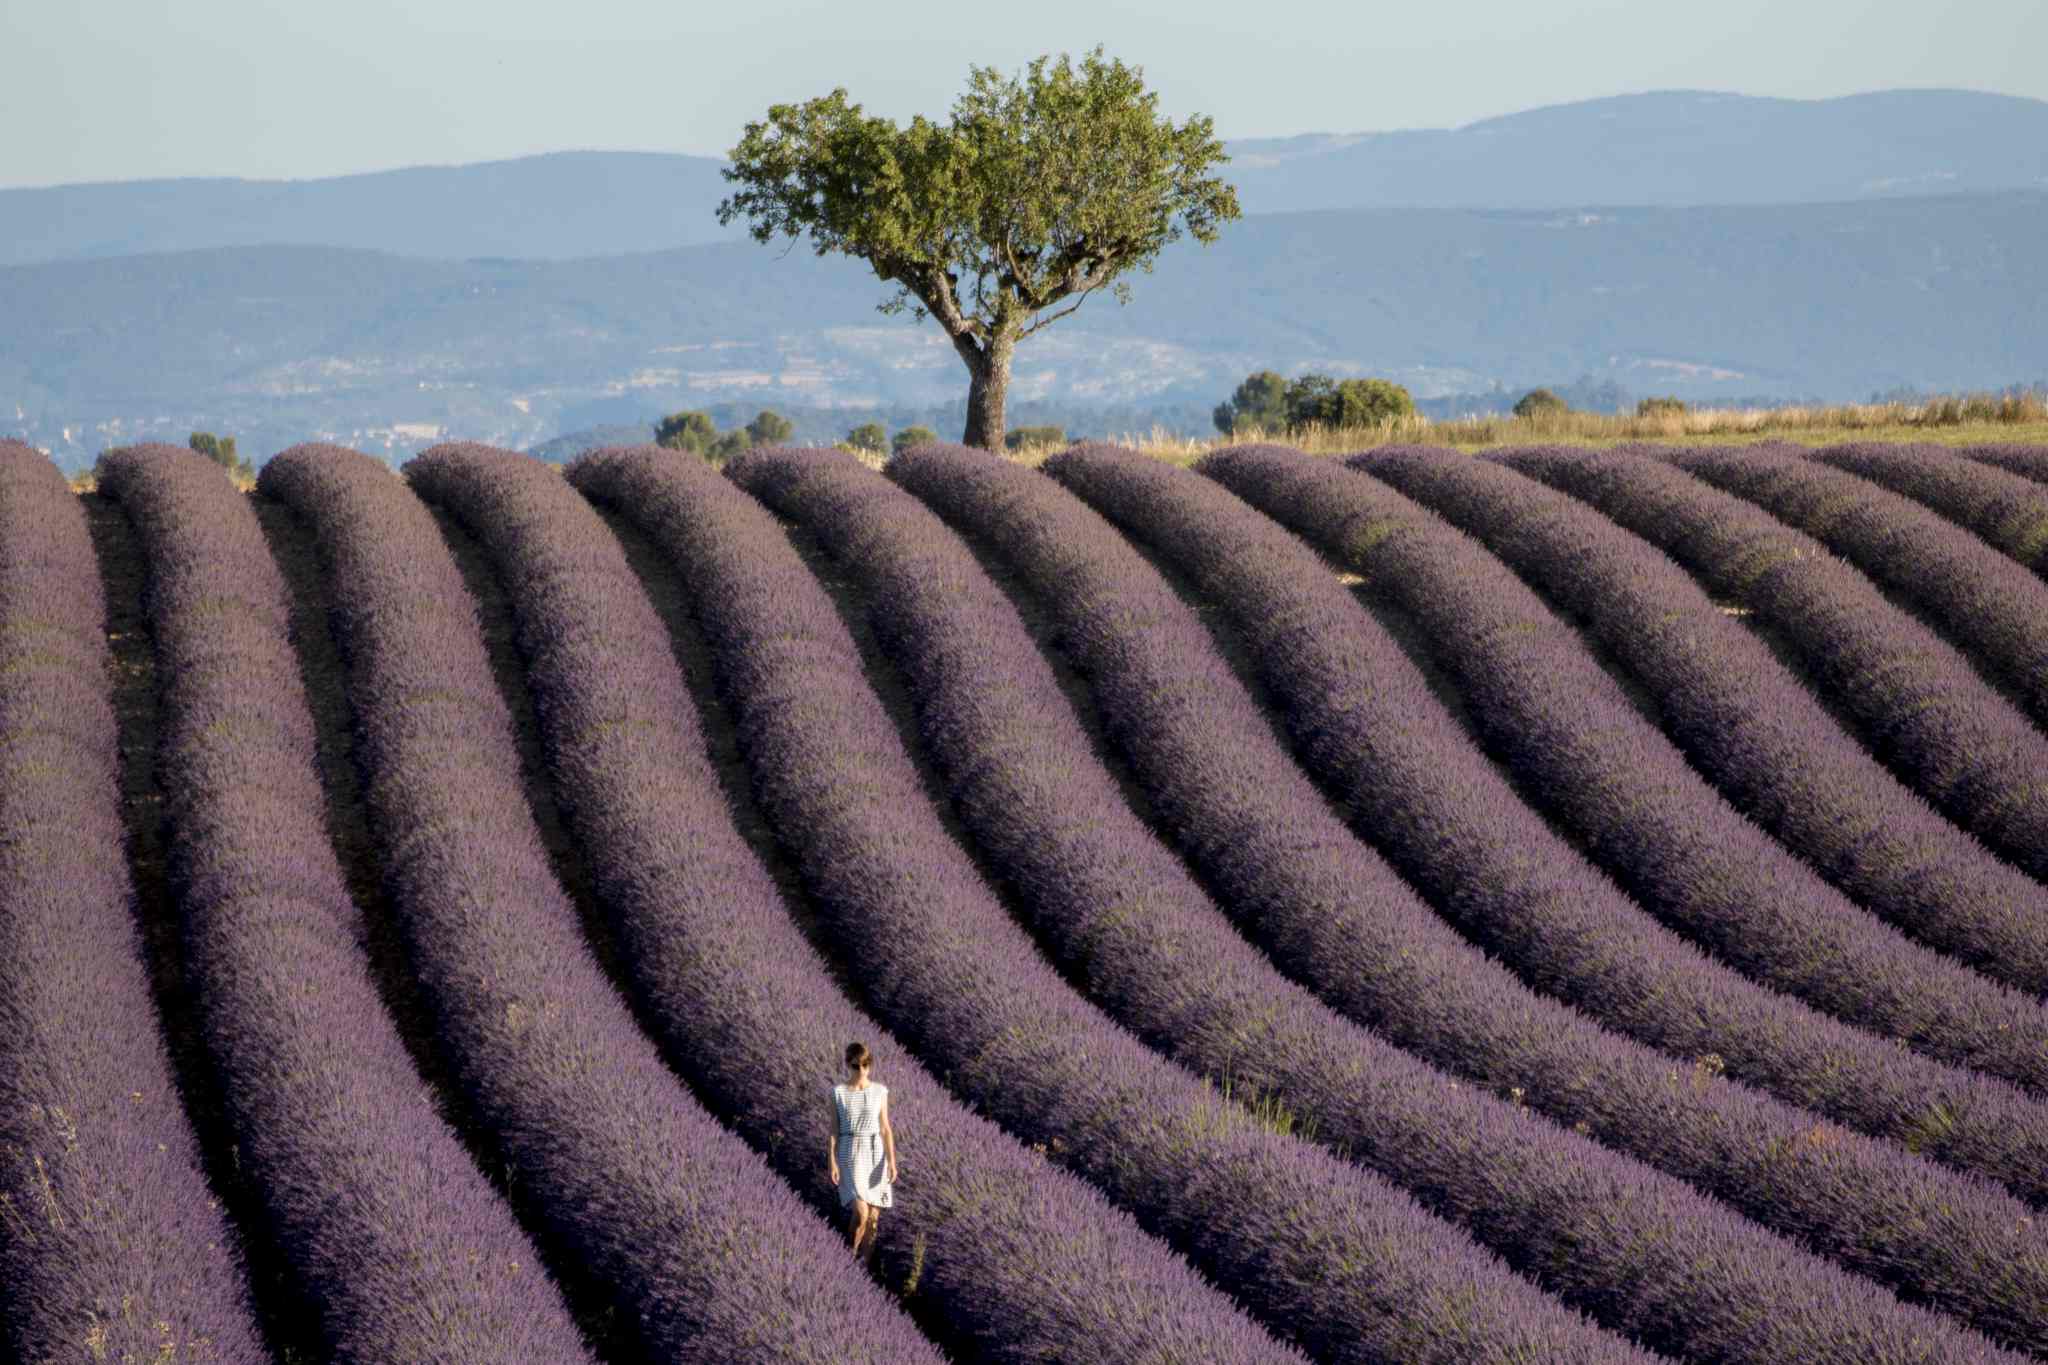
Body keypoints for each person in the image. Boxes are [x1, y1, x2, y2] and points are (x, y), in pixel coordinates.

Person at [828, 1041, 896, 1261]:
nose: (862, 1071)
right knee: (861, 1213)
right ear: (848, 1065)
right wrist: (832, 1160)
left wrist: (892, 1162)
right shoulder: (838, 1092)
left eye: (866, 1065)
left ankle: (863, 1268)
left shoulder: (879, 1091)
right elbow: (834, 1129)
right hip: (851, 1152)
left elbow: (886, 1128)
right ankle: (849, 1256)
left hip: (875, 1152)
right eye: (857, 1066)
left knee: (874, 1218)